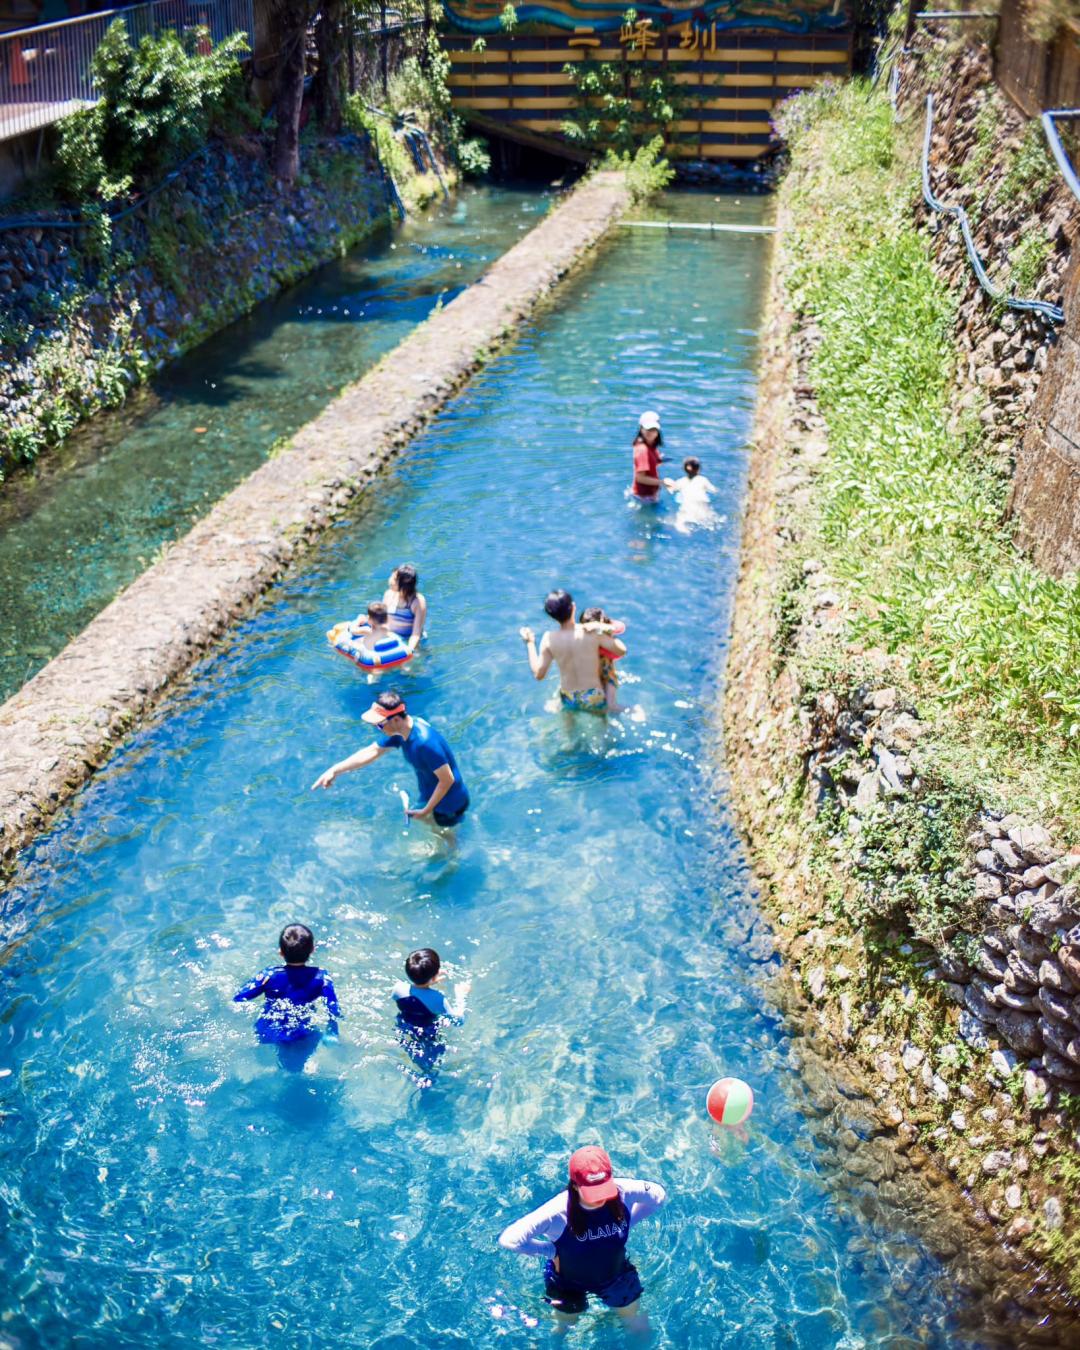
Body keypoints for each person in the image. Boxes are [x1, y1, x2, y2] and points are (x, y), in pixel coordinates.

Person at [498, 1146, 666, 1332]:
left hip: (617, 1277)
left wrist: (629, 1222)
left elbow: (658, 1196)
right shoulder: (558, 1211)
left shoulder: (623, 1191)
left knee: (638, 1326)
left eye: (604, 1189)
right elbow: (510, 1239)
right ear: (575, 1185)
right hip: (567, 1283)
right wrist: (551, 1251)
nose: (600, 1198)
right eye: (594, 1192)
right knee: (563, 1329)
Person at [311, 691, 470, 828]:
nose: (377, 729)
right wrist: (334, 770)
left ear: (395, 720)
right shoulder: (402, 732)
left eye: (380, 725)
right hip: (430, 794)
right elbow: (372, 751)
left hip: (449, 804)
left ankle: (451, 858)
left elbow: (447, 780)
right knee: (429, 825)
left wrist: (426, 810)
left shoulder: (425, 743)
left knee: (446, 837)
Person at [233, 924, 341, 1070]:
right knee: (296, 1065)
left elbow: (240, 997)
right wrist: (332, 1031)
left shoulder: (269, 975)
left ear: (281, 953)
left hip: (268, 1029)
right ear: (312, 950)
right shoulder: (321, 977)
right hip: (301, 1030)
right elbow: (333, 1008)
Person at [520, 590, 614, 716]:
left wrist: (530, 643)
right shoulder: (589, 631)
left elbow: (539, 674)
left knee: (568, 733)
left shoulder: (549, 638)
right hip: (592, 694)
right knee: (601, 728)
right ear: (573, 607)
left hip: (569, 696)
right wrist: (602, 627)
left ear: (551, 615)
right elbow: (620, 651)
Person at [579, 606, 627, 714]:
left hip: (606, 672)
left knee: (610, 705)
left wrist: (600, 627)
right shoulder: (579, 636)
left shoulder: (605, 637)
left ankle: (632, 710)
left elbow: (622, 649)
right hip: (588, 673)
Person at [664, 456, 717, 532]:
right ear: (698, 469)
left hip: (687, 507)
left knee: (679, 522)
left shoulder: (681, 481)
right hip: (701, 506)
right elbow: (714, 490)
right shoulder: (703, 480)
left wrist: (667, 482)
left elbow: (671, 490)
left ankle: (685, 532)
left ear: (684, 469)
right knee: (708, 520)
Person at [383, 563, 427, 654]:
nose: (390, 581)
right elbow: (381, 620)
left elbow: (416, 634)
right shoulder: (389, 594)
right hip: (392, 637)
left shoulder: (417, 602)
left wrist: (409, 651)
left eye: (394, 579)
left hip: (411, 641)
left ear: (404, 584)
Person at [629, 410, 665, 503]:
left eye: (654, 429)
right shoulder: (642, 449)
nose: (651, 432)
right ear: (641, 429)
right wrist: (663, 482)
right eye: (648, 429)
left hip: (648, 494)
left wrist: (657, 460)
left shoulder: (650, 444)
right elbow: (640, 478)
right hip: (643, 497)